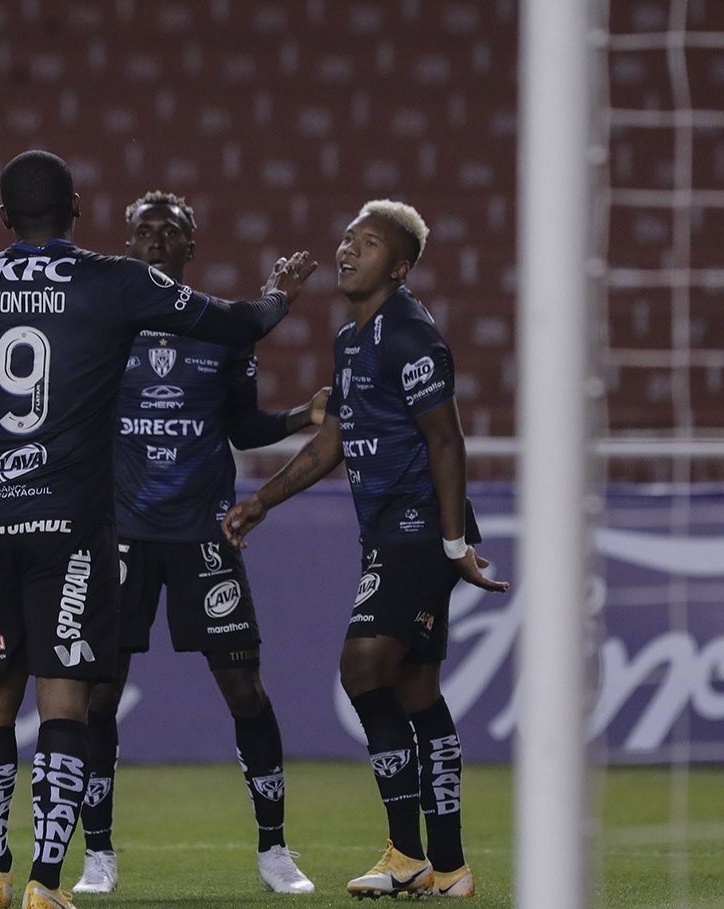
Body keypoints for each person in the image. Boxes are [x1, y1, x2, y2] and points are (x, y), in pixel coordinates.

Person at [0, 150, 316, 909]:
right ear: (76, 210)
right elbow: (235, 321)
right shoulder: (113, 283)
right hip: (74, 522)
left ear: (3, 217)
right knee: (68, 698)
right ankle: (48, 878)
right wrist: (275, 300)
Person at [223, 200, 508, 899]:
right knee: (413, 685)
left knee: (361, 666)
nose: (349, 248)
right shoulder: (353, 341)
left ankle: (405, 852)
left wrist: (450, 542)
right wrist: (262, 499)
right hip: (387, 528)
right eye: (348, 236)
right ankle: (447, 865)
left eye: (369, 242)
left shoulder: (409, 334)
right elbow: (334, 440)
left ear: (400, 266)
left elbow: (446, 440)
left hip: (418, 527)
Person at [70, 193, 326, 896]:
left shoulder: (222, 332)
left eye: (169, 232)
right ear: (127, 246)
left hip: (201, 535)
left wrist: (302, 413)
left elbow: (243, 428)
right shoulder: (100, 327)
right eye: (142, 232)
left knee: (243, 690)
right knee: (98, 696)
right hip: (119, 535)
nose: (154, 241)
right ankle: (97, 853)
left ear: (189, 249)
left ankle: (274, 848)